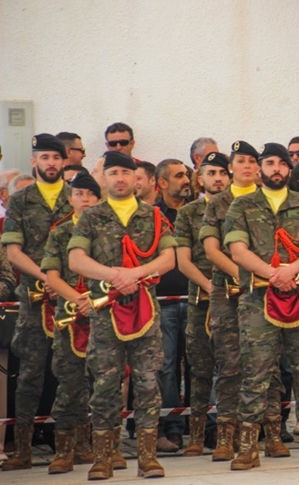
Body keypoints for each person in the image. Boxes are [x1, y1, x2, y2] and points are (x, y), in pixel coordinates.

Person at [225, 143, 299, 469]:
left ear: (290, 170)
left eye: (281, 164)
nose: (276, 168)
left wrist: (290, 271)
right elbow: (237, 249)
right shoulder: (242, 206)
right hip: (258, 299)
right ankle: (247, 448)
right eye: (269, 163)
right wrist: (273, 274)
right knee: (255, 373)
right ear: (259, 169)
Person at [68, 150, 177, 479]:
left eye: (125, 173)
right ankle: (103, 457)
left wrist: (135, 274)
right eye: (112, 173)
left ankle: (147, 457)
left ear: (135, 178)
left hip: (145, 314)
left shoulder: (155, 217)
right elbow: (76, 260)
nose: (119, 178)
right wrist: (115, 274)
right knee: (104, 385)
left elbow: (169, 258)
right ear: (104, 178)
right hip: (105, 316)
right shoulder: (92, 216)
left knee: (147, 384)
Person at [1, 134, 72, 472]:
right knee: (29, 374)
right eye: (44, 158)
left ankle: (71, 447)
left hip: (71, 300)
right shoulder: (20, 200)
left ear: (65, 161)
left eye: (56, 158)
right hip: (34, 299)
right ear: (34, 162)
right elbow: (13, 253)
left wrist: (66, 284)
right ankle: (24, 449)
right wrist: (49, 279)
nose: (51, 163)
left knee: (71, 373)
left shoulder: (79, 197)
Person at [200, 141, 264, 461]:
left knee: (263, 362)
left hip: (263, 291)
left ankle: (267, 434)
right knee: (228, 363)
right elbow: (211, 250)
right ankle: (225, 436)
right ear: (231, 167)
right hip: (227, 290)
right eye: (241, 161)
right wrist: (242, 275)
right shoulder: (218, 203)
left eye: (253, 161)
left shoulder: (266, 199)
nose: (248, 166)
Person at [41, 173, 101, 474]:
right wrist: (79, 301)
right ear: (70, 198)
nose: (85, 199)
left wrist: (96, 301)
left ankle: (91, 445)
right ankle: (63, 451)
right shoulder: (59, 233)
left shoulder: (107, 230)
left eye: (91, 194)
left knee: (101, 384)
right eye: (79, 194)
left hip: (104, 316)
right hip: (69, 316)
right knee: (68, 384)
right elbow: (52, 277)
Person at [175, 152, 231, 456]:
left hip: (238, 301)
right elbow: (183, 262)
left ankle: (228, 434)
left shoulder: (241, 206)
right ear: (200, 178)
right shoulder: (188, 214)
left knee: (234, 368)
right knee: (199, 368)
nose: (218, 178)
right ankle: (196, 436)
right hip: (203, 300)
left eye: (223, 172)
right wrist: (213, 287)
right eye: (211, 173)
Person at [153, 159, 192, 452]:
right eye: (179, 176)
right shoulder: (151, 215)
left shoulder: (197, 213)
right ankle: (172, 427)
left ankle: (202, 426)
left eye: (187, 174)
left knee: (199, 365)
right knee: (166, 368)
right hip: (162, 303)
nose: (187, 180)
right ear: (162, 183)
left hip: (195, 300)